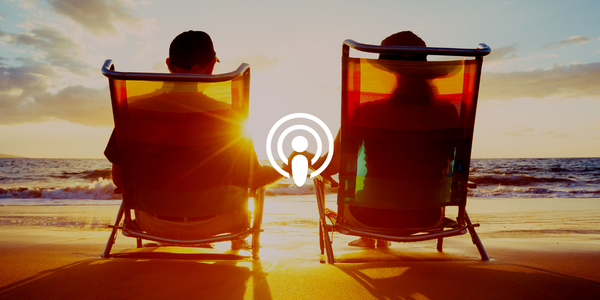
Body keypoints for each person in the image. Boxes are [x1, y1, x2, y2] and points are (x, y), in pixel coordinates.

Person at [105, 30, 282, 249]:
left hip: (151, 223)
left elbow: (119, 179)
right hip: (219, 222)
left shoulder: (133, 110)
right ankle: (237, 243)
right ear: (210, 66)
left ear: (169, 64)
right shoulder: (230, 117)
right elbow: (252, 180)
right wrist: (287, 167)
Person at [295, 31, 458, 248]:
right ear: (425, 72)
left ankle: (369, 236)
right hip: (427, 215)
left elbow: (331, 166)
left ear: (390, 73)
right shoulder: (447, 113)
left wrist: (304, 157)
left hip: (369, 216)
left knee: (375, 193)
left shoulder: (367, 112)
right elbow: (451, 166)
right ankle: (375, 237)